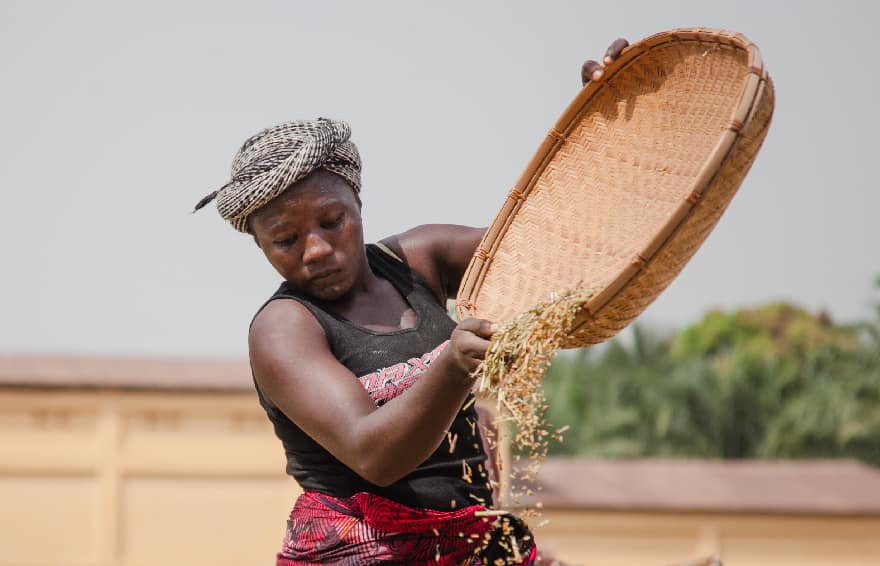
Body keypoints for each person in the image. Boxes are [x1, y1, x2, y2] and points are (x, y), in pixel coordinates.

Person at [196, 39, 628, 565]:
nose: (316, 250)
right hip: (360, 551)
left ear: (358, 201)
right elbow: (373, 453)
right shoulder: (285, 329)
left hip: (474, 542)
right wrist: (451, 366)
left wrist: (607, 127)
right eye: (285, 240)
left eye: (332, 222)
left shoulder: (421, 258)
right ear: (261, 246)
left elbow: (547, 245)